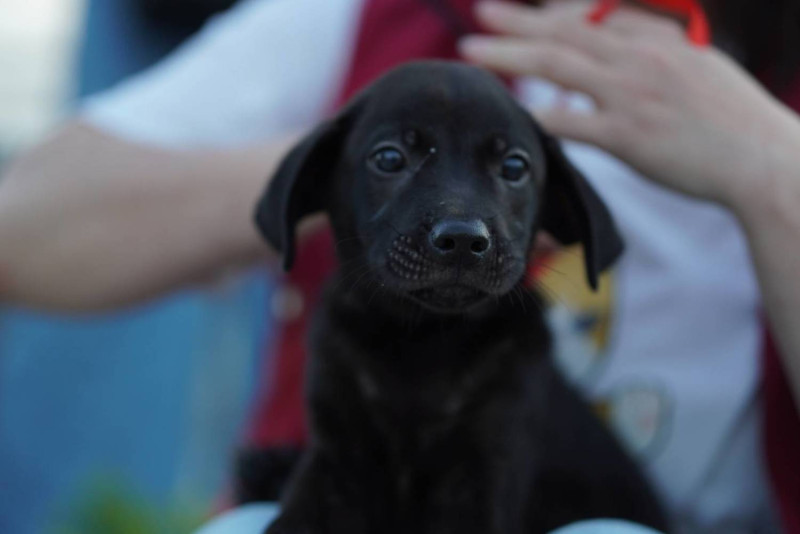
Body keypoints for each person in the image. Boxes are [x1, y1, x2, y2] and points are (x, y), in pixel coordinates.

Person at [1, 0, 798, 532]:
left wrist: (773, 170)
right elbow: (22, 230)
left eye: (509, 172)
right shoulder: (390, 17)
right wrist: (356, 157)